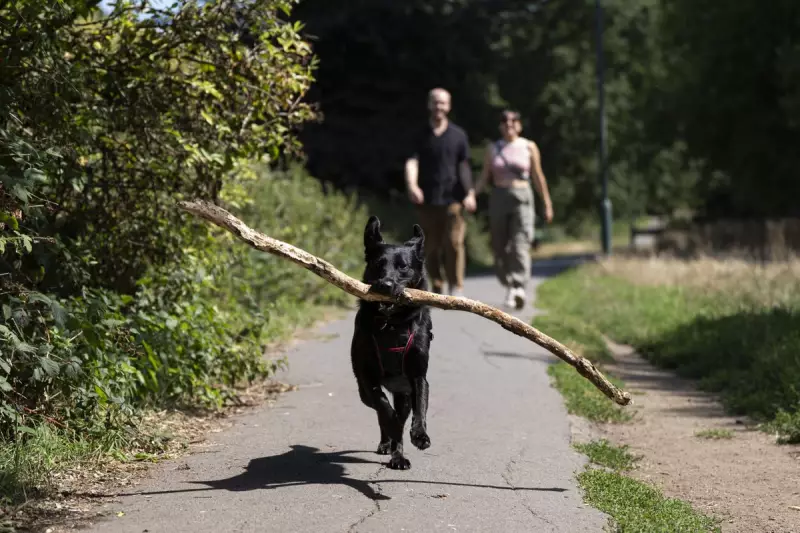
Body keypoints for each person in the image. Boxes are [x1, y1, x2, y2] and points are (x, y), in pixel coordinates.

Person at [475, 110, 554, 309]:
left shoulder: (528, 146)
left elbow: (538, 176)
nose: (509, 124)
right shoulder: (493, 148)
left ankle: (518, 286)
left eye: (513, 120)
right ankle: (508, 283)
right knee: (499, 246)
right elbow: (484, 177)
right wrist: (471, 196)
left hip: (522, 198)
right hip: (499, 197)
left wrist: (547, 203)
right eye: (504, 120)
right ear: (500, 126)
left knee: (520, 243)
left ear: (519, 125)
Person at [404, 88, 477, 296]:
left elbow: (464, 167)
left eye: (443, 103)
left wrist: (470, 193)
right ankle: (437, 281)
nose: (439, 107)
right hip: (426, 198)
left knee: (454, 243)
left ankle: (457, 287)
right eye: (435, 102)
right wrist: (412, 185)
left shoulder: (458, 135)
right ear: (429, 105)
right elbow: (412, 162)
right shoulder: (419, 135)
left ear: (449, 106)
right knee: (430, 247)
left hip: (453, 198)